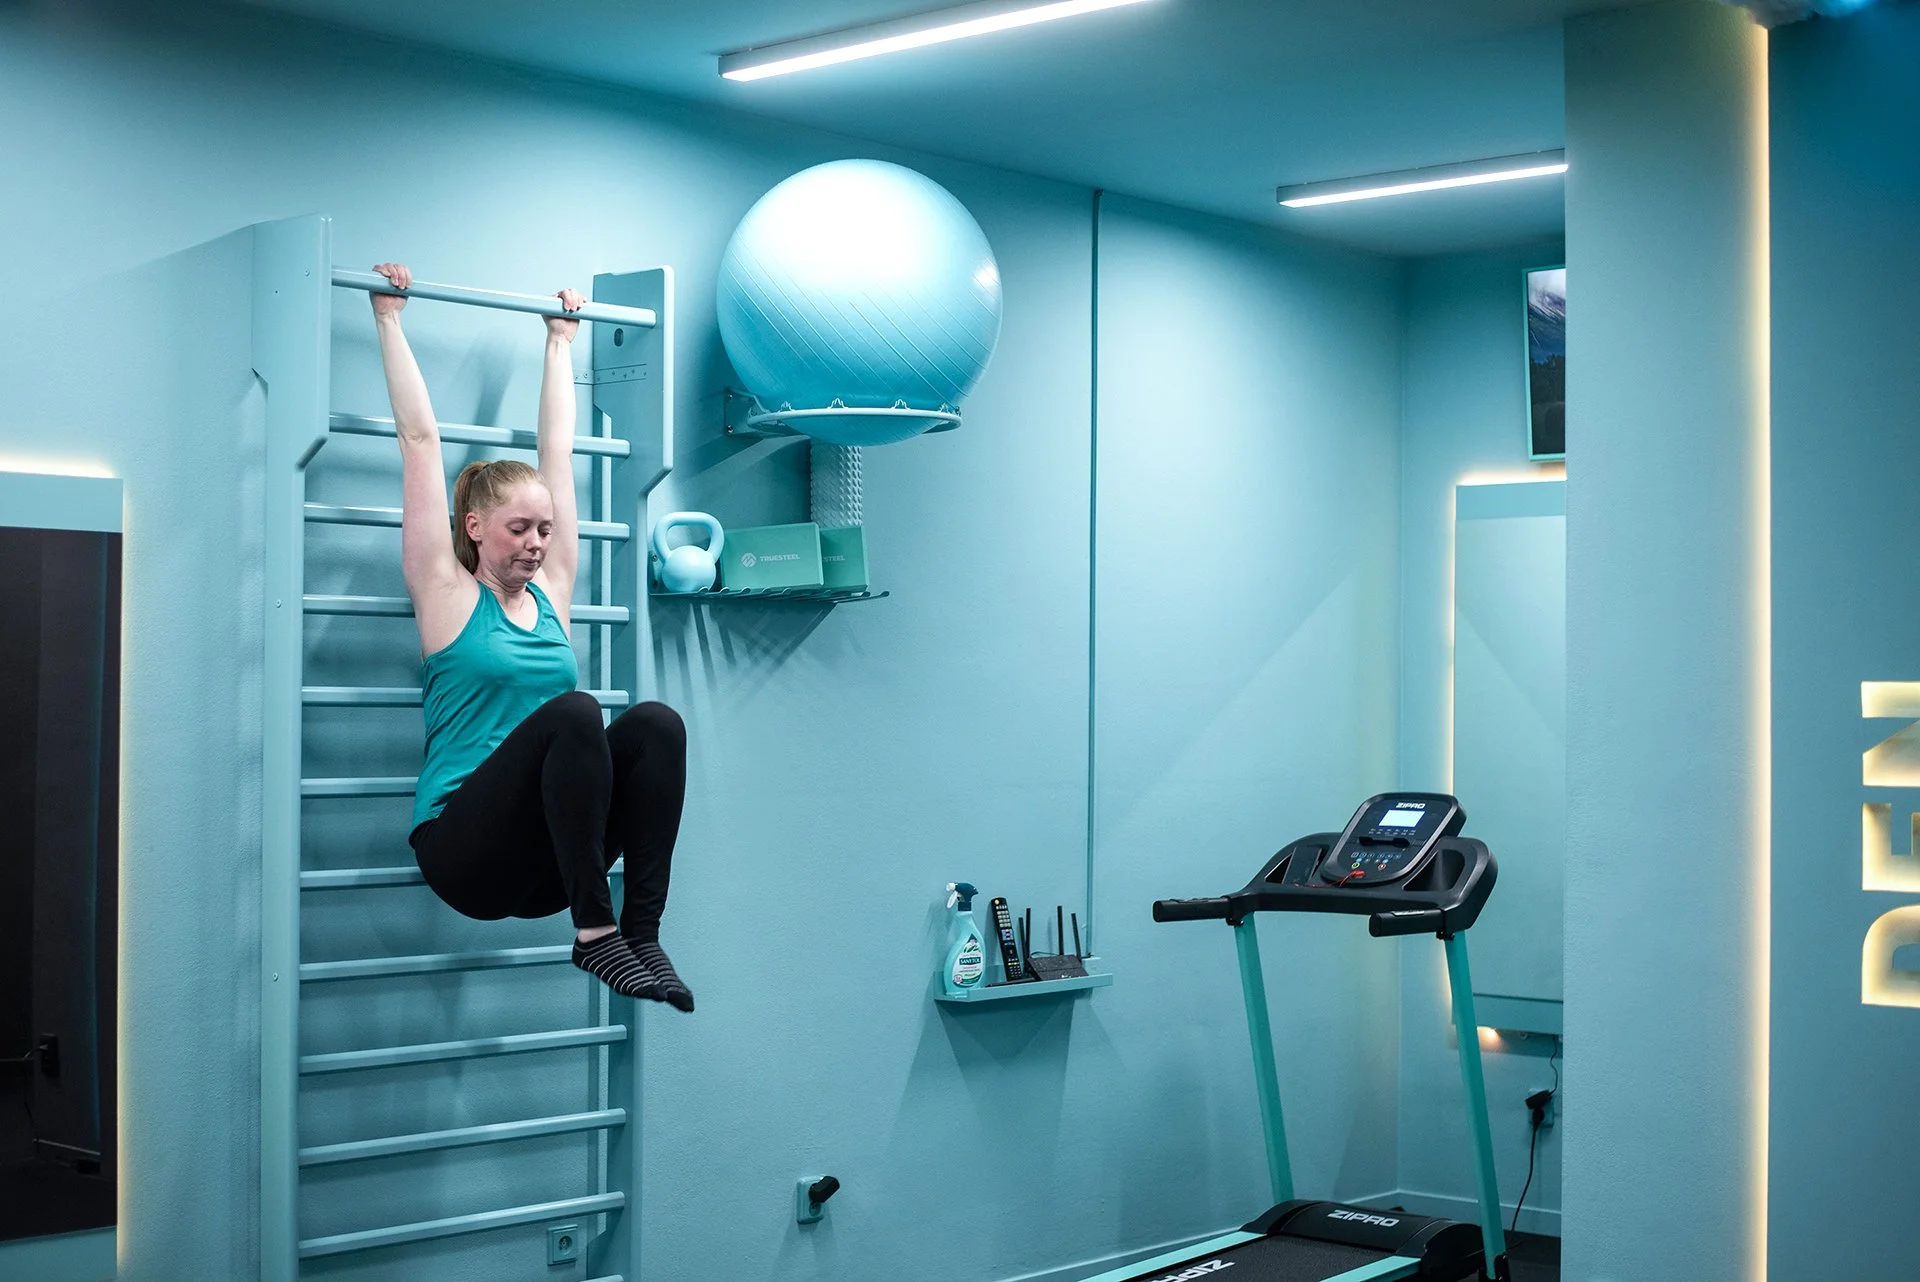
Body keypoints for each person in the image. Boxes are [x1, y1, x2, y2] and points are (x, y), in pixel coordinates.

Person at [368, 262, 692, 1011]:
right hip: (465, 855)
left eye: (545, 529)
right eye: (520, 528)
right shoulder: (445, 592)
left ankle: (640, 934)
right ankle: (595, 934)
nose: (539, 543)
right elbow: (420, 441)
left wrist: (559, 343)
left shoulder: (551, 592)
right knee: (575, 711)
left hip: (548, 863)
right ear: (476, 528)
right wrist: (388, 319)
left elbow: (558, 461)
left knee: (655, 726)